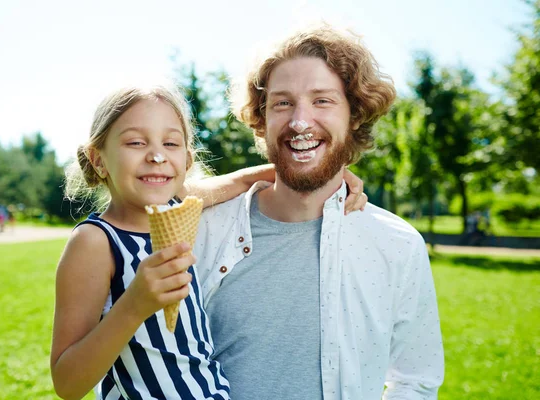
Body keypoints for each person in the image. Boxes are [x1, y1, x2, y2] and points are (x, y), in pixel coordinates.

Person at [50, 82, 370, 399]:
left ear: (187, 162)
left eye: (172, 144)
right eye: (135, 142)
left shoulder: (179, 207)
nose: (157, 156)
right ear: (98, 159)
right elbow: (67, 384)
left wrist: (330, 176)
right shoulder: (95, 242)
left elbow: (245, 179)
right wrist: (133, 307)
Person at [194, 24, 444, 399]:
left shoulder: (398, 245)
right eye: (282, 103)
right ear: (261, 119)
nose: (299, 122)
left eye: (322, 101)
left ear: (354, 115)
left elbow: (415, 380)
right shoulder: (205, 230)